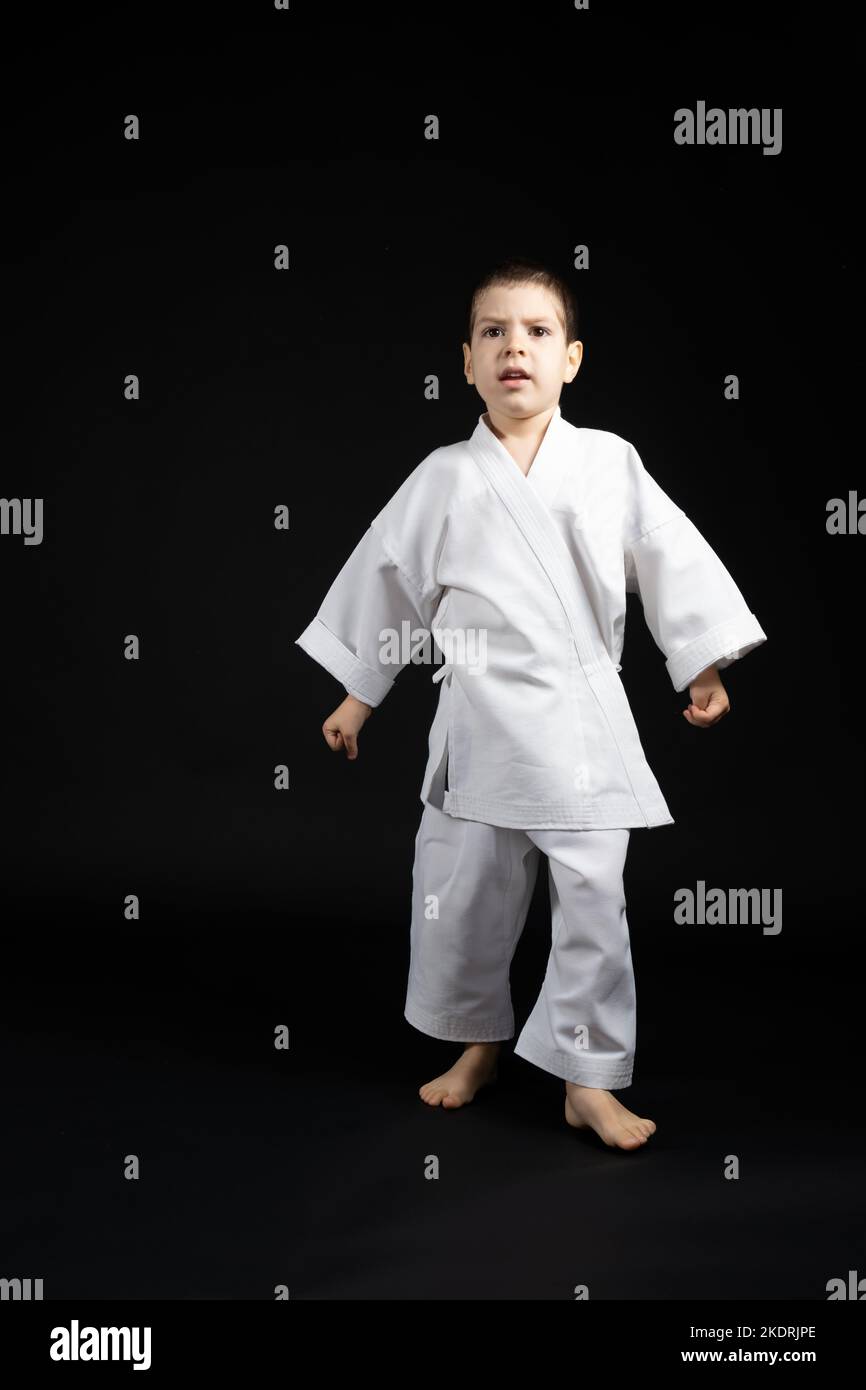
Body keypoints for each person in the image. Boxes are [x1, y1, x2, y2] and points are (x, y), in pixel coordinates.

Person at [295, 259, 767, 1150]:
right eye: (493, 333)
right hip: (477, 720)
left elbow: (668, 558)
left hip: (580, 718)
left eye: (538, 332)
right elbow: (387, 586)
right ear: (466, 362)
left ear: (573, 359)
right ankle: (479, 1043)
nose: (516, 346)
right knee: (464, 893)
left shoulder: (609, 463)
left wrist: (699, 663)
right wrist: (358, 695)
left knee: (593, 898)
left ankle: (585, 1077)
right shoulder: (443, 476)